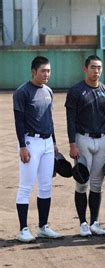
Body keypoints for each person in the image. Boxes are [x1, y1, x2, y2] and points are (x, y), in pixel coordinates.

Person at [13, 56, 63, 242]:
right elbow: (18, 121)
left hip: (48, 143)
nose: (46, 74)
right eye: (43, 71)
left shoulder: (48, 91)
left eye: (48, 71)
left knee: (46, 186)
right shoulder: (22, 92)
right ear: (34, 71)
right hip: (30, 143)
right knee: (25, 186)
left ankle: (43, 227)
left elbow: (49, 119)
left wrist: (55, 142)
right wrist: (22, 146)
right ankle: (23, 229)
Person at [65, 55, 105, 237]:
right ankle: (83, 223)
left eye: (99, 68)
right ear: (85, 69)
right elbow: (70, 120)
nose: (96, 71)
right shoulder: (76, 91)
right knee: (81, 183)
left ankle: (94, 222)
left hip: (102, 140)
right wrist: (72, 144)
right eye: (93, 67)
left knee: (96, 184)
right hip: (82, 139)